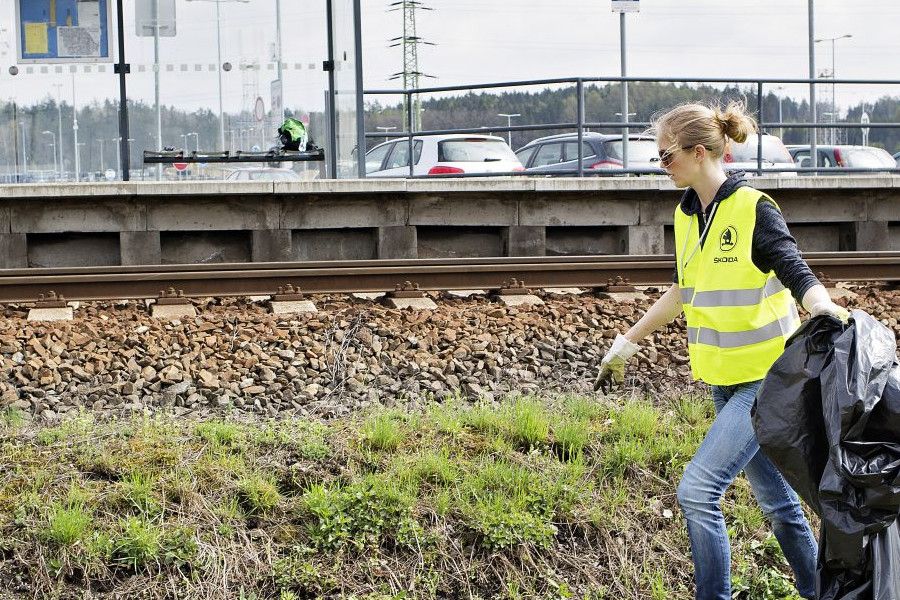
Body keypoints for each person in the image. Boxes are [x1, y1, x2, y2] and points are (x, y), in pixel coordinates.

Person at [594, 101, 849, 600]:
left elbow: (791, 265)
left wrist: (819, 304)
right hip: (722, 378)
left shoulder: (753, 208)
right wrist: (627, 342)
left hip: (764, 379)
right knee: (778, 505)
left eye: (665, 157)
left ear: (697, 151)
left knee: (697, 491)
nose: (660, 166)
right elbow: (684, 290)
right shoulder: (688, 212)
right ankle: (821, 592)